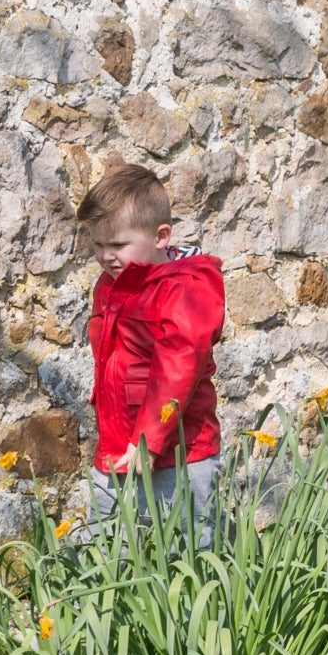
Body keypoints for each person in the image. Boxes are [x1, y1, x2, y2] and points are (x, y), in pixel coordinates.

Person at [78, 163, 226, 537]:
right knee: (108, 546)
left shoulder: (187, 288)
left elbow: (178, 369)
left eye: (117, 245)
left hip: (178, 452)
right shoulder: (113, 283)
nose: (105, 256)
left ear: (161, 236)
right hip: (117, 447)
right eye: (97, 244)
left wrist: (146, 440)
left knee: (187, 549)